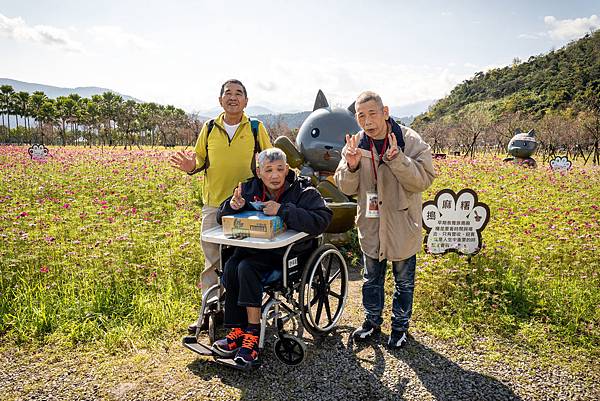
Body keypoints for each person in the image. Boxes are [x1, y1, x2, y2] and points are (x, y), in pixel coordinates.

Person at [212, 147, 332, 367]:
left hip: (286, 254)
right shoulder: (248, 188)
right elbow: (222, 216)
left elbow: (323, 220)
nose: (274, 175)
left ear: (287, 169)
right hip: (253, 248)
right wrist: (231, 206)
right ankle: (238, 330)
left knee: (246, 268)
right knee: (231, 265)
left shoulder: (304, 191)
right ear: (259, 172)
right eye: (268, 170)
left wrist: (283, 210)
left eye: (279, 169)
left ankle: (253, 335)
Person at [334, 91, 435, 349]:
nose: (367, 120)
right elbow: (344, 186)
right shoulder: (356, 144)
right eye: (361, 115)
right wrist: (352, 165)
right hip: (370, 224)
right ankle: (371, 322)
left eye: (372, 113)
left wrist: (397, 159)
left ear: (385, 112)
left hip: (402, 222)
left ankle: (400, 327)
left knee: (403, 281)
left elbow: (423, 180)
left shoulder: (409, 140)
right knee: (371, 279)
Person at [170, 79, 272, 333]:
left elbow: (270, 162)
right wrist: (189, 167)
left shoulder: (257, 128)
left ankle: (241, 313)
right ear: (220, 100)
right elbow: (200, 160)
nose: (233, 97)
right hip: (215, 205)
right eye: (228, 93)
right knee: (212, 261)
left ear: (246, 101)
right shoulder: (209, 127)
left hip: (247, 206)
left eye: (239, 93)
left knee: (242, 260)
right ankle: (209, 312)